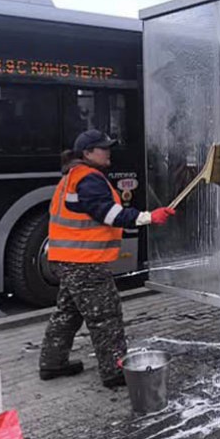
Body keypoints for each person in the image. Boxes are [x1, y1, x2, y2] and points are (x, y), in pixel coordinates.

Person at [39, 129, 176, 389]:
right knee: (105, 315)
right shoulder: (89, 179)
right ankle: (115, 371)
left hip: (66, 258)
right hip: (84, 262)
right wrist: (149, 217)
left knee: (68, 312)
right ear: (88, 153)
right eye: (103, 148)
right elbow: (109, 214)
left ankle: (52, 363)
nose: (108, 151)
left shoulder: (72, 176)